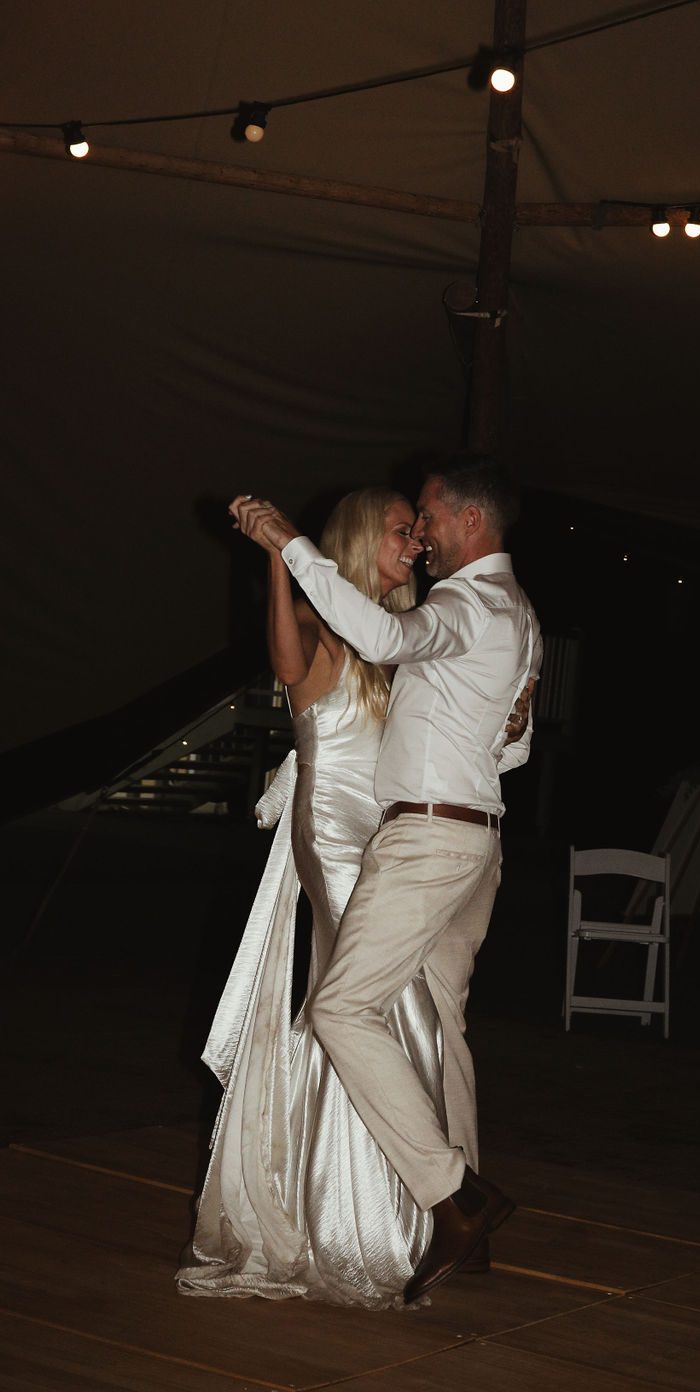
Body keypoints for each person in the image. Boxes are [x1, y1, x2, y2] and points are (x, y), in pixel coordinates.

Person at [230, 453, 541, 1304]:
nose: (424, 536)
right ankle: (466, 1215)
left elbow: (387, 639)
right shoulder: (517, 612)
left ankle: (455, 1195)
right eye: (408, 526)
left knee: (338, 1006)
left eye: (430, 518)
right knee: (441, 1022)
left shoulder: (462, 604)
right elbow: (508, 747)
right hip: (470, 837)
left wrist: (289, 542)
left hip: (429, 840)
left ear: (468, 521)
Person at [177, 488, 436, 1309]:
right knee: (372, 1006)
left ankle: (372, 1202)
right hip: (331, 833)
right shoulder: (327, 631)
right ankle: (356, 1214)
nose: (417, 542)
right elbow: (288, 670)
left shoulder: (392, 638)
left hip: (386, 832)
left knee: (383, 1009)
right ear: (365, 539)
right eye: (404, 530)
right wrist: (279, 561)